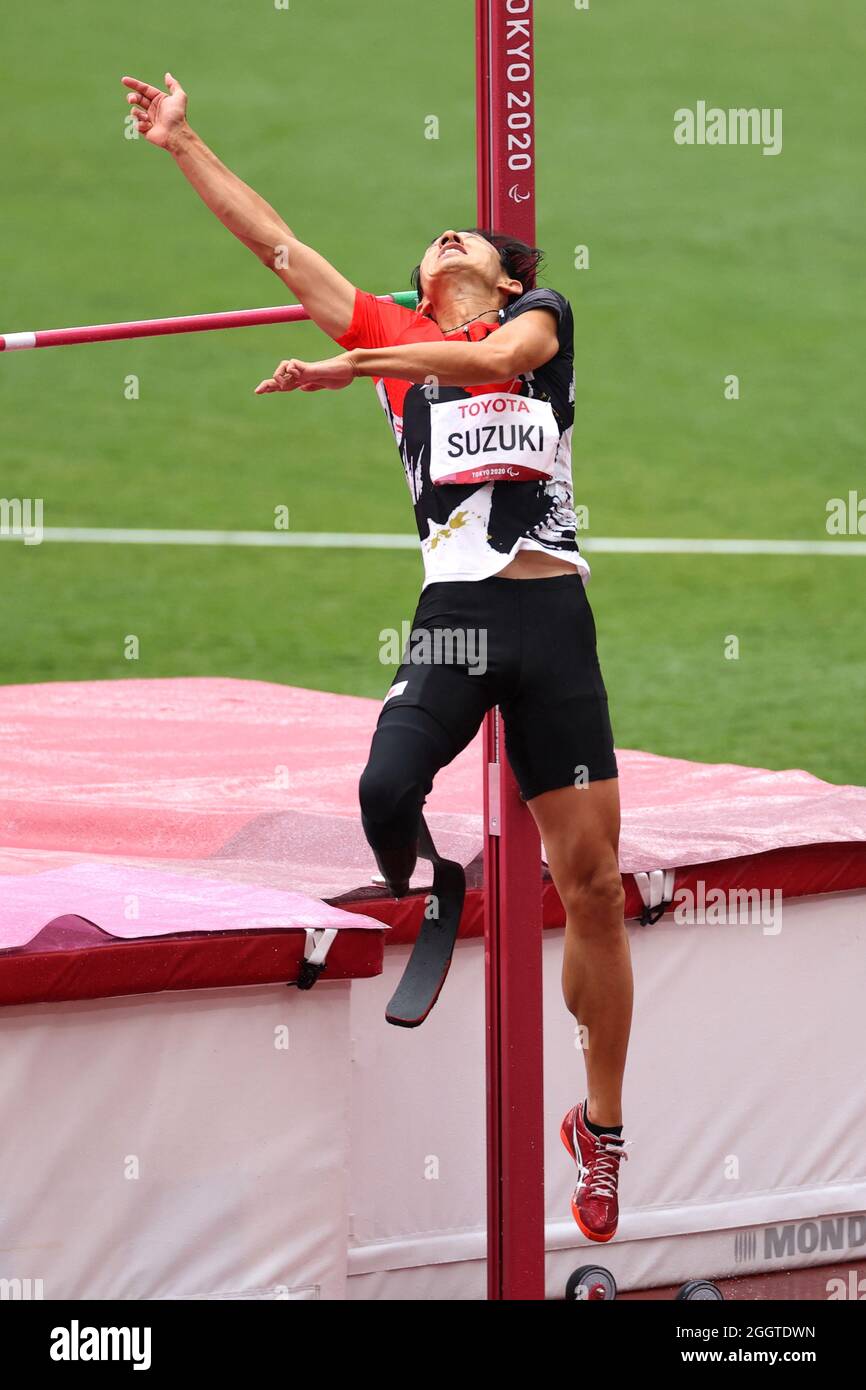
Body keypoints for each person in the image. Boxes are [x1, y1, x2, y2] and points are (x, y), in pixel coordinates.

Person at [122, 71, 633, 1241]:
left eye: (471, 238)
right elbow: (275, 243)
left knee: (593, 886)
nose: (448, 234)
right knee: (383, 790)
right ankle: (438, 879)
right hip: (455, 618)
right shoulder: (389, 333)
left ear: (505, 275)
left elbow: (494, 362)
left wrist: (350, 370)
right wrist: (184, 141)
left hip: (552, 624)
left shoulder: (535, 320)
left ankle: (598, 1128)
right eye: (434, 234)